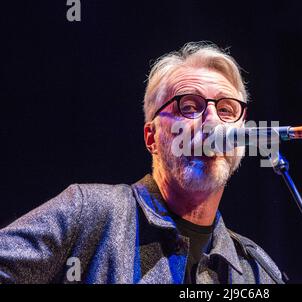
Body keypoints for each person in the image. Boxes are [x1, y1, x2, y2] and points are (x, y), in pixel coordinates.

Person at [0, 42, 284, 284]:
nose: (212, 122)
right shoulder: (91, 213)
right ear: (152, 137)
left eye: (226, 110)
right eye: (188, 107)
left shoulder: (258, 270)